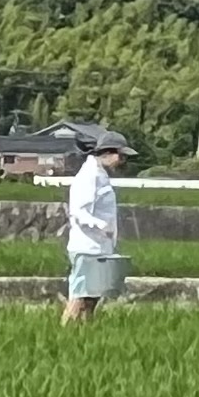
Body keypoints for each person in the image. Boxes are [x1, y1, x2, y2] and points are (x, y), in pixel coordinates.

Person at [60, 129, 132, 325]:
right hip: (87, 247)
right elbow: (78, 212)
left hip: (99, 247)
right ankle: (64, 331)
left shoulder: (100, 175)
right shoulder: (89, 176)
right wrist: (101, 226)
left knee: (92, 297)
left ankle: (86, 332)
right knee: (79, 296)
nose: (122, 161)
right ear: (108, 152)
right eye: (121, 156)